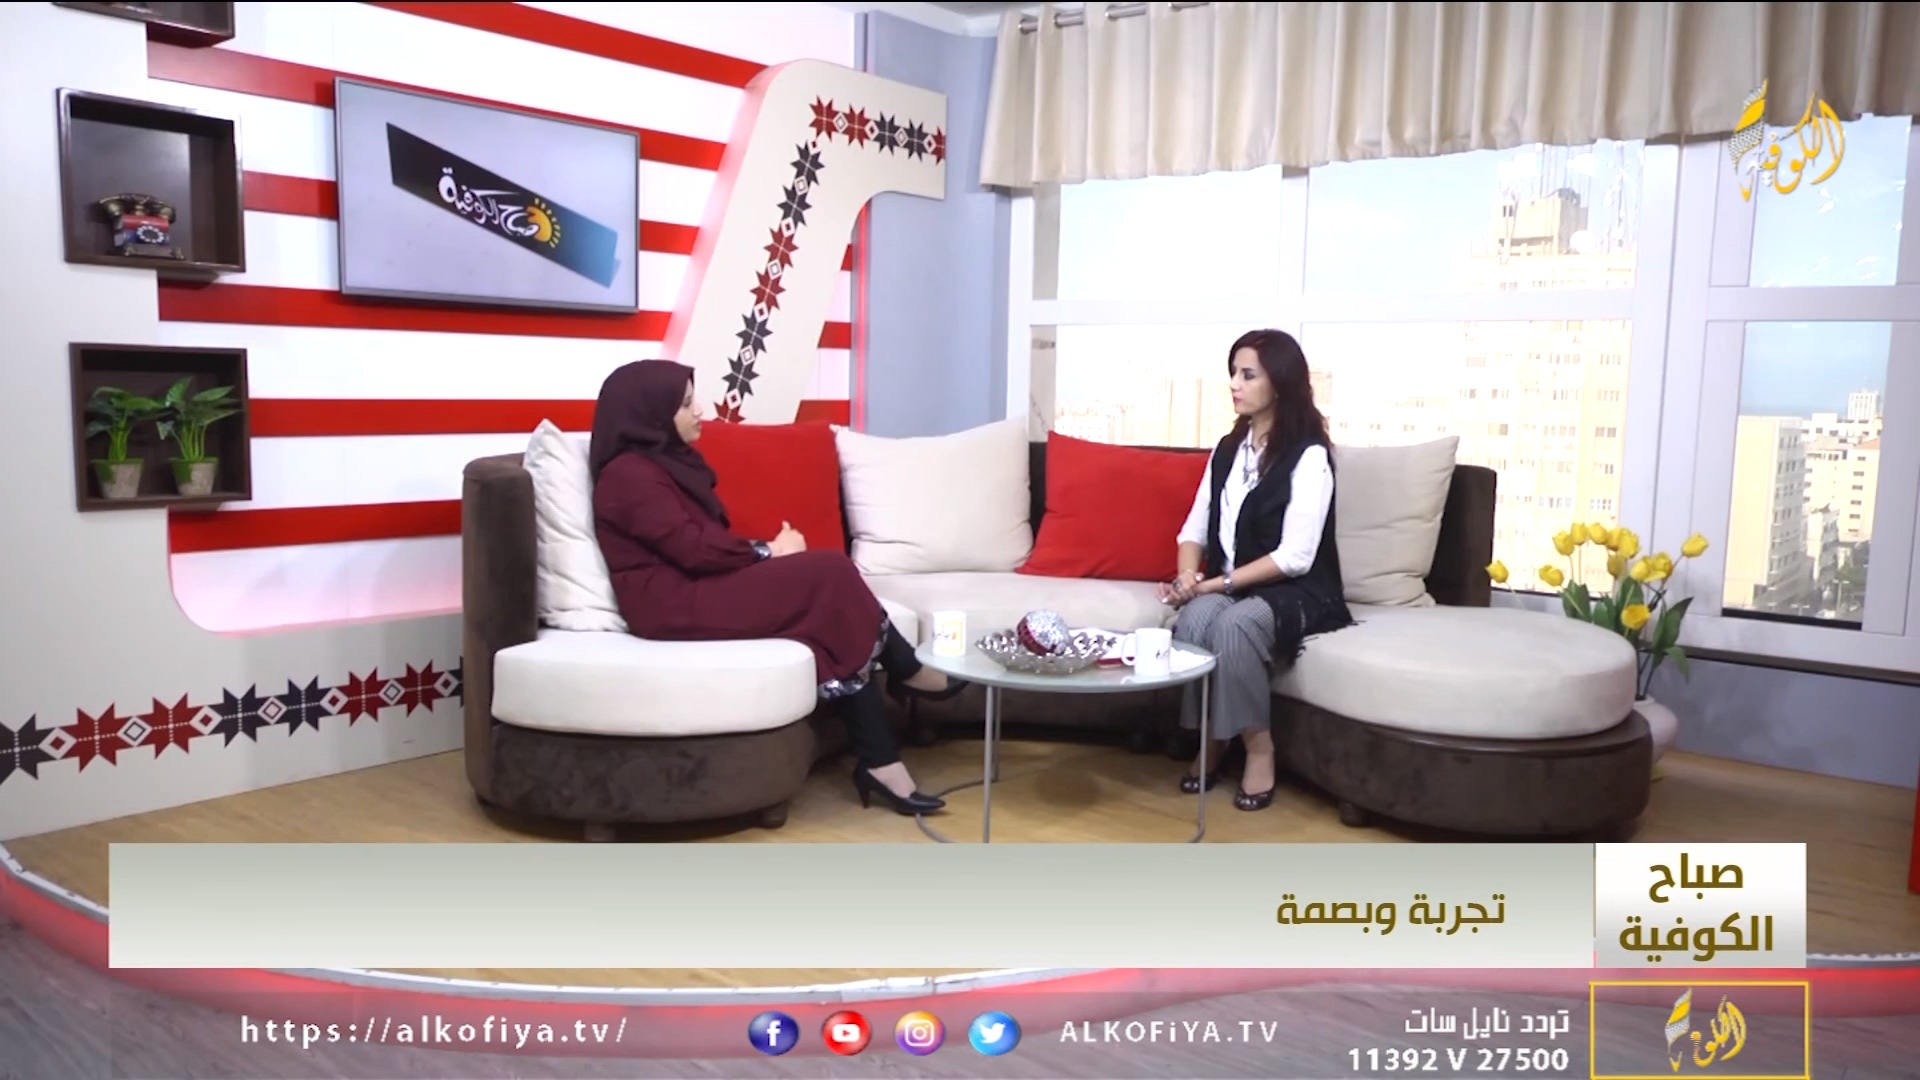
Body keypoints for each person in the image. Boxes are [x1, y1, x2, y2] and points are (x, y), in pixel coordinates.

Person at [588, 360, 966, 816]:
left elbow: (699, 545)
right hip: (670, 604)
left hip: (694, 586)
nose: (700, 410)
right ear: (649, 415)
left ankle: (880, 762)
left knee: (824, 617)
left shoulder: (661, 464)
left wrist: (764, 552)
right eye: (686, 404)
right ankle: (906, 670)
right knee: (828, 571)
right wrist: (769, 551)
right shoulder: (628, 475)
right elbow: (690, 549)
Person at [1157, 329, 1353, 812]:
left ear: (1280, 383)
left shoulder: (1308, 455)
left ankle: (1259, 749)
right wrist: (1188, 578)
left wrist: (1215, 583)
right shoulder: (1228, 449)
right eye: (1234, 373)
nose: (1234, 384)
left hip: (1298, 590)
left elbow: (1295, 557)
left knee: (1235, 624)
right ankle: (1213, 737)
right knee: (1195, 618)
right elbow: (1194, 528)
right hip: (1234, 583)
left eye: (1248, 375)